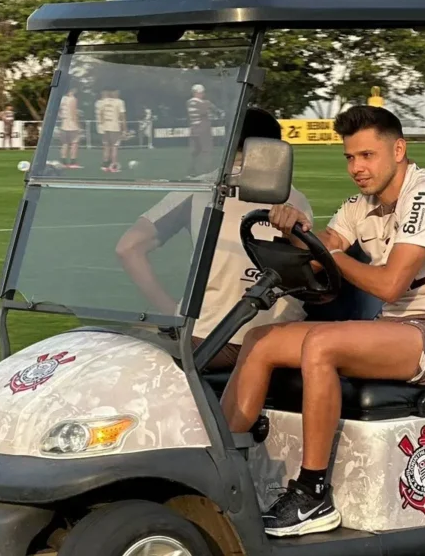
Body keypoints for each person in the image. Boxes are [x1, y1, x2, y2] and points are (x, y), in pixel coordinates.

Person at [219, 105, 425, 538]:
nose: (357, 168)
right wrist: (293, 229)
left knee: (321, 344)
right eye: (350, 158)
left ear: (398, 150)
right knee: (262, 338)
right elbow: (324, 246)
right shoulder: (360, 205)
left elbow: (390, 285)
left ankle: (313, 494)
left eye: (367, 156)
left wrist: (334, 258)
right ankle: (224, 468)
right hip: (394, 331)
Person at [116, 109, 315, 370]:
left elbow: (128, 248)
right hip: (277, 336)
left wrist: (172, 311)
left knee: (116, 344)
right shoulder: (295, 201)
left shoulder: (203, 189)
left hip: (208, 336)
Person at [95, 88, 127, 173]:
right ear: (116, 92)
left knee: (106, 146)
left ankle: (105, 165)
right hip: (115, 126)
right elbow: (122, 116)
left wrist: (102, 124)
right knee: (114, 146)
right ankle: (113, 165)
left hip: (105, 126)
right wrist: (124, 129)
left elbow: (100, 114)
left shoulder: (103, 101)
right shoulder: (119, 102)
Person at [187, 84, 213, 176]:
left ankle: (192, 170)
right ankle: (206, 170)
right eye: (202, 92)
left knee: (196, 151)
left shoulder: (191, 102)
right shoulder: (198, 102)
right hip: (202, 130)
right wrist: (207, 104)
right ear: (197, 93)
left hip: (195, 130)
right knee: (206, 150)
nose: (203, 94)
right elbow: (205, 110)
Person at [58, 89, 82, 168]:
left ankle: (63, 161)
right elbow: (73, 112)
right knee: (74, 143)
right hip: (72, 125)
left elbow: (59, 113)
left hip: (63, 124)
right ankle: (73, 161)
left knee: (65, 143)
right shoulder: (73, 99)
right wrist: (78, 124)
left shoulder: (62, 99)